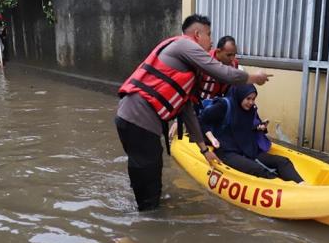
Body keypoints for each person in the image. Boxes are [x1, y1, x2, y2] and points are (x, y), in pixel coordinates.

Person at [116, 14, 272, 211]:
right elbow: (221, 72)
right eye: (209, 34)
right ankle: (145, 230)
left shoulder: (188, 67)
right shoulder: (185, 45)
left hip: (133, 121)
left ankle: (143, 215)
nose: (212, 40)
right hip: (138, 120)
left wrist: (205, 151)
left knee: (149, 176)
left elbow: (188, 112)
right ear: (197, 34)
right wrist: (253, 77)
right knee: (149, 185)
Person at [201, 84, 304, 183]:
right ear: (240, 96)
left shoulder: (250, 109)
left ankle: (301, 185)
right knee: (258, 169)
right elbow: (202, 120)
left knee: (283, 161)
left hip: (248, 150)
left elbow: (242, 128)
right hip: (228, 152)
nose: (251, 102)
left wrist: (259, 127)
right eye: (248, 99)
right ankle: (282, 188)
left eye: (253, 99)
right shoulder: (223, 105)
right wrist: (211, 138)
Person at [197, 35, 239, 101]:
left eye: (234, 54)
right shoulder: (205, 60)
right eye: (229, 55)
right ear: (218, 51)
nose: (232, 58)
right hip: (200, 101)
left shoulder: (234, 63)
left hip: (221, 102)